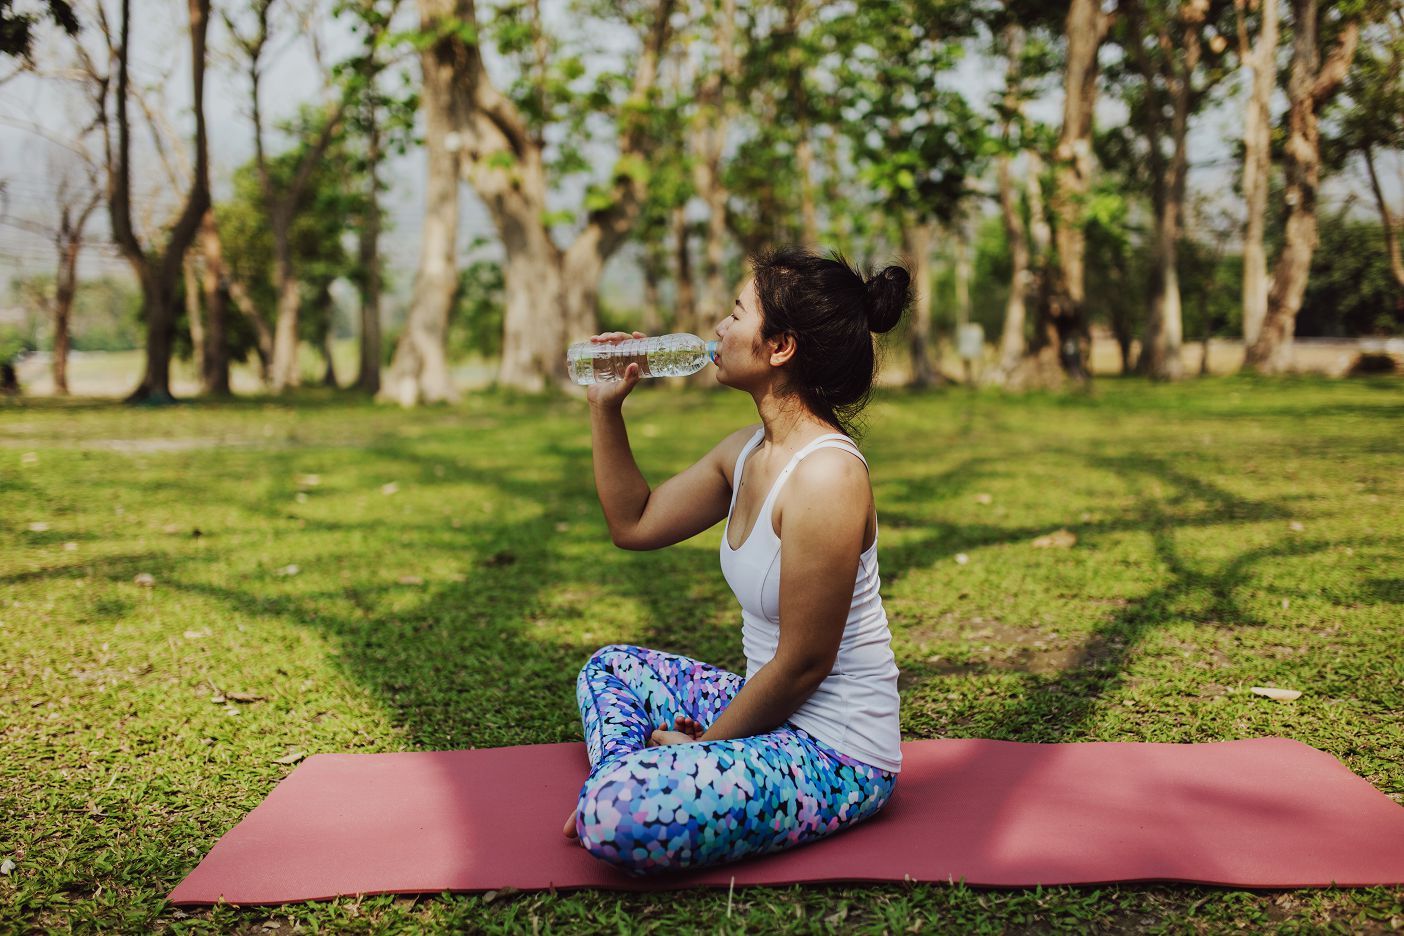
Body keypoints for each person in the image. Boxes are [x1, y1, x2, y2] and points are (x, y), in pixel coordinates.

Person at [564, 245, 910, 875]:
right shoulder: (745, 451)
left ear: (780, 347)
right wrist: (605, 408)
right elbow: (633, 523)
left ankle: (625, 781)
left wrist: (699, 753)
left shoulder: (827, 476)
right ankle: (628, 770)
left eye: (736, 313)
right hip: (765, 712)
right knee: (609, 668)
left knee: (618, 814)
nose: (718, 329)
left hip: (834, 750)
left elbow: (805, 664)